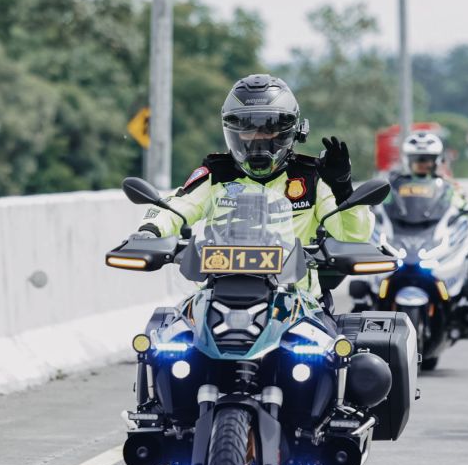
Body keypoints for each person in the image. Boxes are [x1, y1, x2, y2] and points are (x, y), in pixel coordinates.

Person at [132, 74, 374, 305]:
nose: (258, 138)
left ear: (290, 131)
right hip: (214, 296)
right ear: (232, 132)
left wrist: (342, 188)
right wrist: (149, 232)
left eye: (268, 128)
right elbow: (177, 206)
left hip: (299, 304)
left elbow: (354, 238)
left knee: (339, 347)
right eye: (248, 128)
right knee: (164, 340)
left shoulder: (311, 176)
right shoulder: (217, 174)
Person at [389, 131, 466, 209]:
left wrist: (461, 205)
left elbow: (461, 204)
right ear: (408, 161)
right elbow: (383, 205)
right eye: (416, 159)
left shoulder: (448, 185)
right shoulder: (395, 183)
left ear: (436, 160)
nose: (422, 164)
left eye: (427, 159)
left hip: (438, 220)